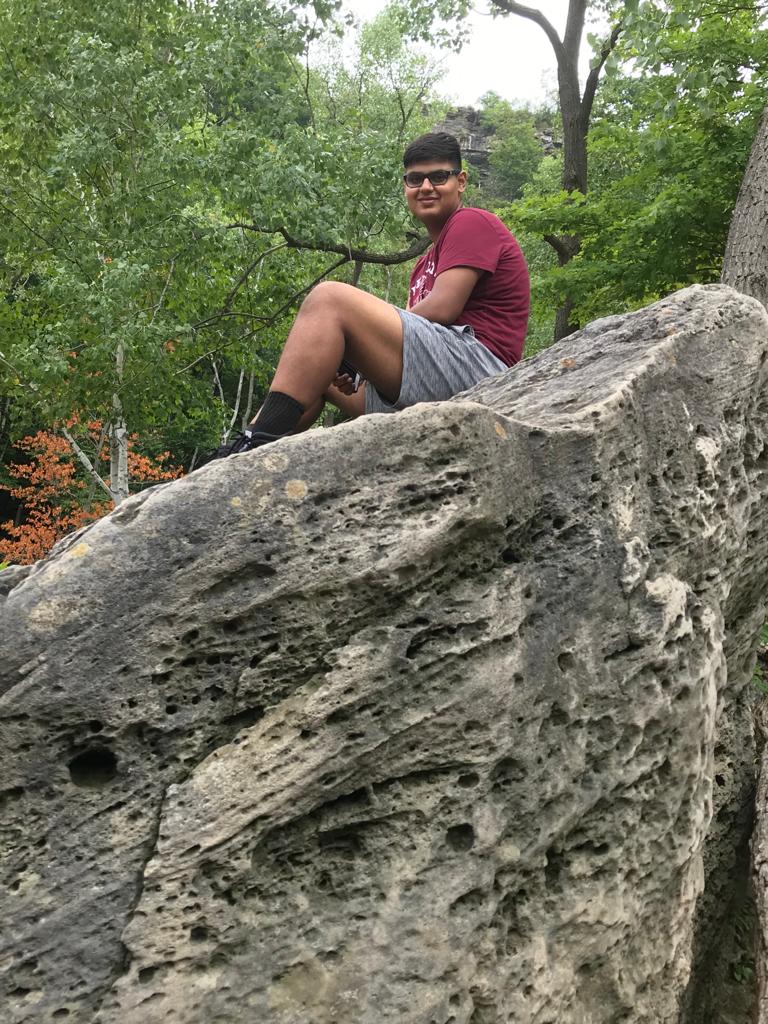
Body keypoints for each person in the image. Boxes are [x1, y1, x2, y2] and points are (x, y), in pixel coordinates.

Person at [210, 131, 530, 459]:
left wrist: (353, 357)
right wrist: (349, 363)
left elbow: (444, 309)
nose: (426, 187)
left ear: (461, 181)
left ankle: (252, 443)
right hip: (432, 380)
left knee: (329, 298)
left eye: (439, 177)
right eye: (415, 179)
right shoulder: (423, 266)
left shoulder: (472, 222)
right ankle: (246, 453)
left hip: (479, 372)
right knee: (314, 367)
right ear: (405, 186)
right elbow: (415, 339)